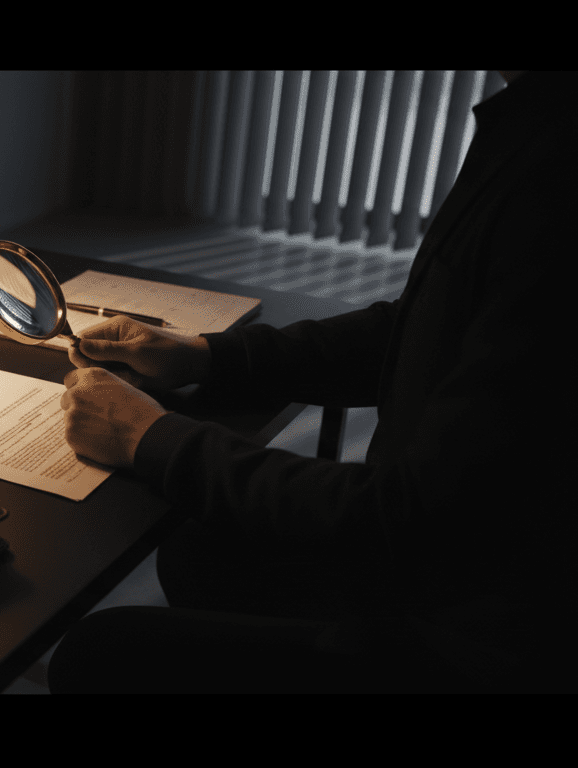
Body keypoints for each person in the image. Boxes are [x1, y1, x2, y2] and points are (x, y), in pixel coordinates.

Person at [51, 71, 577, 693]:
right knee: (200, 551)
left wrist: (151, 438)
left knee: (98, 655)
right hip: (461, 571)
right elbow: (423, 328)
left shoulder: (554, 177)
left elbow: (415, 518)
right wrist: (206, 356)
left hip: (477, 636)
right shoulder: (536, 122)